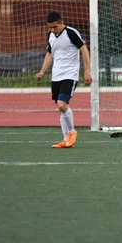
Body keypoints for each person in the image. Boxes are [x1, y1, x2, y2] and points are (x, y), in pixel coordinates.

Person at [36, 12, 92, 148]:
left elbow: (84, 50)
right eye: (50, 27)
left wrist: (87, 71)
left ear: (61, 23)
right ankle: (66, 140)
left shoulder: (71, 33)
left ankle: (72, 132)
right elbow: (50, 54)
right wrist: (42, 71)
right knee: (60, 108)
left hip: (70, 75)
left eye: (55, 27)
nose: (52, 30)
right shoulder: (50, 36)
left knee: (62, 105)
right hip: (56, 76)